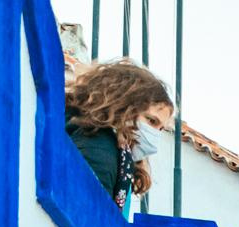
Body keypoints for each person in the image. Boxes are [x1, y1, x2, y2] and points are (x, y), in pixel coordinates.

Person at [63, 59, 173, 211]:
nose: (155, 133)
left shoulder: (114, 153)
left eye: (161, 129)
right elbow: (90, 218)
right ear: (122, 106)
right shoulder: (99, 150)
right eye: (151, 120)